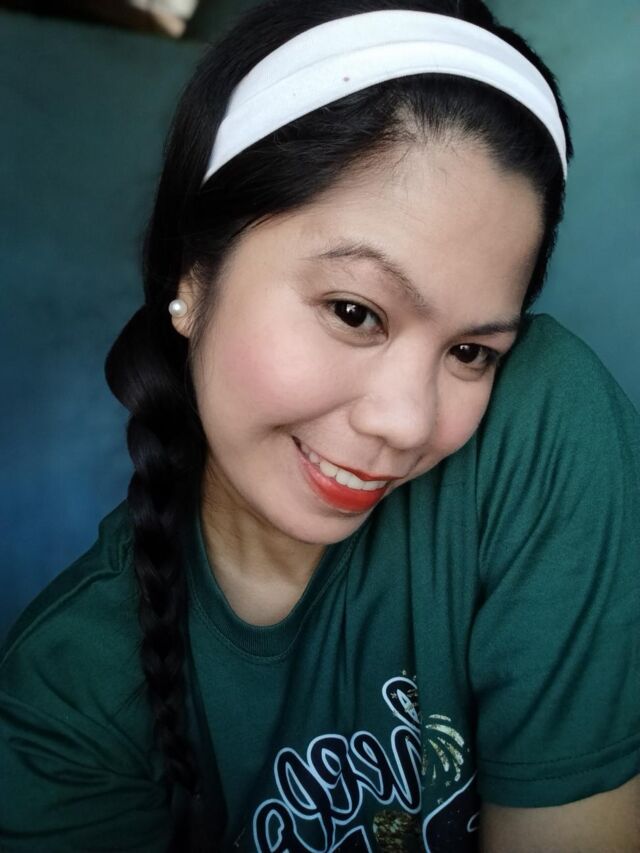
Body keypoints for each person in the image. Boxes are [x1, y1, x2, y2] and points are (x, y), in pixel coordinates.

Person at [1, 0, 639, 850]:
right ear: (192, 271)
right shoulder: (66, 693)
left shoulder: (539, 420)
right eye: (354, 311)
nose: (406, 423)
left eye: (470, 352)